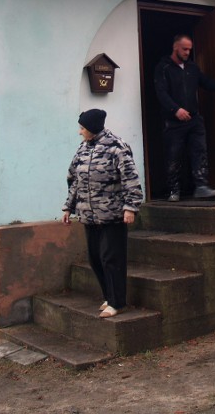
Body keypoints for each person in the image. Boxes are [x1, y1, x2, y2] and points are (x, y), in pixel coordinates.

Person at [62, 109, 142, 318]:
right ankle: (109, 296)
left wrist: (130, 207)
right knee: (95, 258)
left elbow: (130, 179)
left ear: (92, 128)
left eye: (82, 128)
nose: (80, 132)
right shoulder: (83, 148)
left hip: (112, 214)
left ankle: (117, 302)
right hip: (88, 214)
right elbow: (74, 180)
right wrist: (68, 207)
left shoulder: (117, 147)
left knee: (111, 258)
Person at [153, 34, 215, 202]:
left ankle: (201, 186)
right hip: (173, 121)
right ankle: (174, 190)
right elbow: (161, 93)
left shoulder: (192, 67)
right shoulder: (163, 68)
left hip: (194, 119)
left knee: (199, 151)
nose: (187, 52)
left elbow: (204, 82)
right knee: (174, 155)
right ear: (175, 47)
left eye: (189, 49)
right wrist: (176, 109)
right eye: (184, 49)